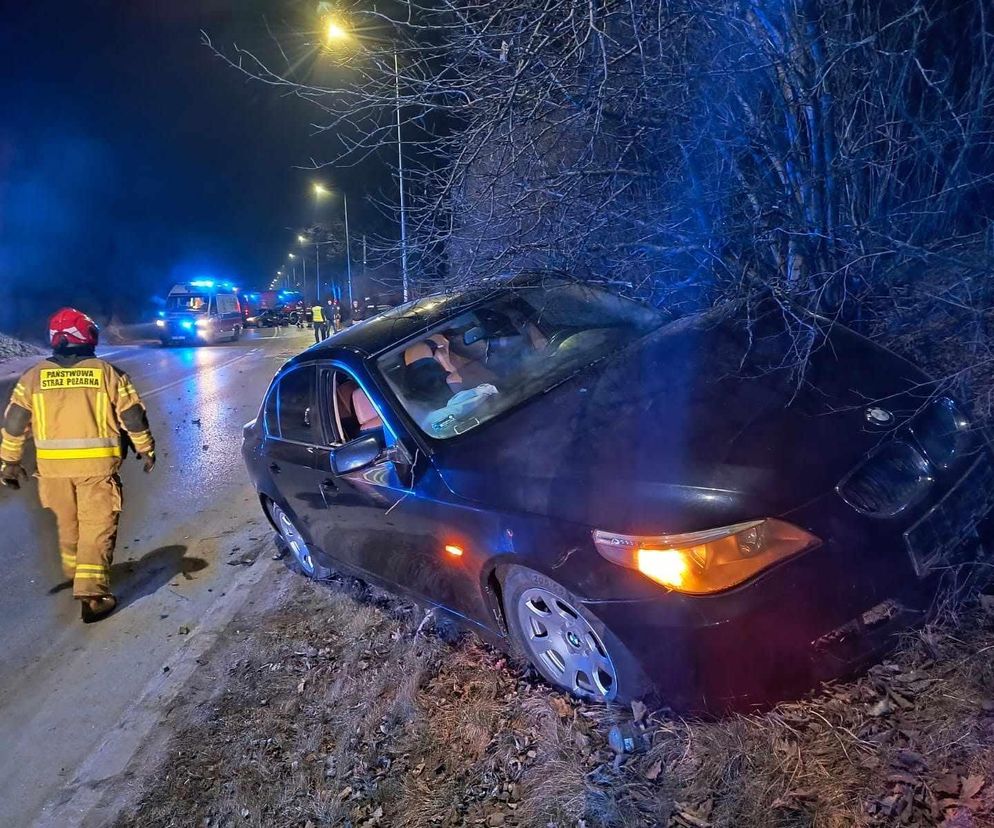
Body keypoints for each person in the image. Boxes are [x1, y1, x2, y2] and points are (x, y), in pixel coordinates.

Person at [0, 308, 156, 623]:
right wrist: (145, 448)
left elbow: (16, 422)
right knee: (96, 528)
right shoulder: (107, 373)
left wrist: (9, 462)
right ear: (86, 336)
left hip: (52, 472)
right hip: (96, 470)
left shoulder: (33, 377)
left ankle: (78, 574)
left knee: (68, 527)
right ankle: (93, 595)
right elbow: (132, 417)